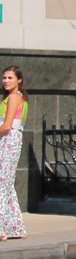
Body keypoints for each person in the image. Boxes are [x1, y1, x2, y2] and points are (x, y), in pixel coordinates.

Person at [0, 66, 28, 240]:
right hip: (13, 142)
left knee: (2, 184)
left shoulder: (12, 97)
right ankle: (15, 228)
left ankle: (1, 229)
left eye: (10, 78)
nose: (6, 81)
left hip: (7, 141)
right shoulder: (21, 98)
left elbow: (6, 125)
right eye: (4, 78)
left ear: (19, 80)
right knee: (7, 184)